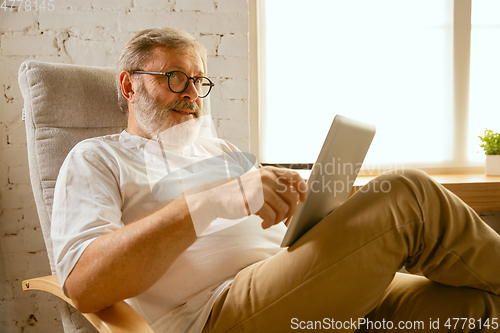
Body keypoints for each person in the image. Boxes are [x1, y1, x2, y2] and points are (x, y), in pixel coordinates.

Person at [51, 27, 500, 333]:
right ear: (130, 87)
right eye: (174, 78)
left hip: (299, 282)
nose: (191, 94)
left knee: (480, 310)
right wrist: (211, 201)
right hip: (217, 313)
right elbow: (84, 285)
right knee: (409, 196)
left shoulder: (222, 152)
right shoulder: (96, 158)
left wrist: (320, 214)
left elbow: (280, 232)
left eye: (199, 82)